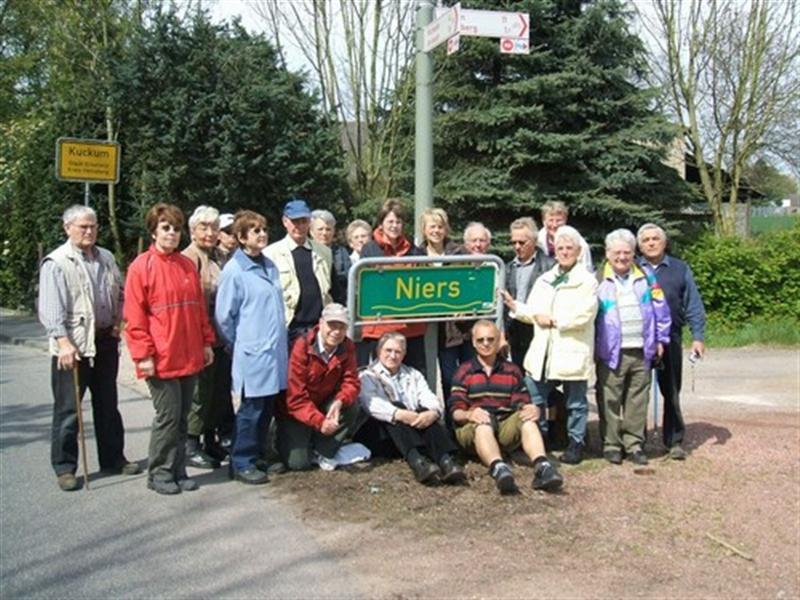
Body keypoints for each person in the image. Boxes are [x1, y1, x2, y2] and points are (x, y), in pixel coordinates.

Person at [38, 205, 139, 492]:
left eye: (93, 226)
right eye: (83, 226)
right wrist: (63, 342)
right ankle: (65, 467)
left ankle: (113, 458)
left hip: (105, 340)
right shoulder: (57, 262)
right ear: (67, 228)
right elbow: (50, 309)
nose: (89, 231)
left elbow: (121, 293)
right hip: (73, 345)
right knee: (69, 409)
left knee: (107, 403)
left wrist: (119, 321)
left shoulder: (106, 257)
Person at [124, 203, 215, 495]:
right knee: (168, 416)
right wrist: (143, 355)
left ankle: (178, 470)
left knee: (183, 416)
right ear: (153, 231)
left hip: (188, 353)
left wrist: (206, 342)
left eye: (176, 228)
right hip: (161, 357)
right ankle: (159, 473)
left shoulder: (186, 265)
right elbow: (134, 317)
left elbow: (199, 310)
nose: (172, 233)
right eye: (165, 228)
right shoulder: (141, 267)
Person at [502, 226, 598, 464]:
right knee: (534, 395)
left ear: (578, 251)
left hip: (572, 349)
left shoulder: (587, 281)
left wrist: (554, 321)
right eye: (560, 248)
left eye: (569, 248)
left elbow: (585, 314)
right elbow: (535, 312)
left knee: (576, 401)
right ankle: (539, 438)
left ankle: (576, 442)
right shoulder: (546, 279)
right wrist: (516, 307)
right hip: (543, 351)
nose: (564, 252)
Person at [215, 210, 288, 484]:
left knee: (266, 407)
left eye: (264, 229)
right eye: (255, 230)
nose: (262, 234)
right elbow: (224, 317)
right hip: (252, 352)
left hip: (273, 352)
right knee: (251, 410)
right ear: (241, 237)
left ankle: (257, 456)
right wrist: (241, 344)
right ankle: (241, 462)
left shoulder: (270, 265)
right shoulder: (234, 271)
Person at [449, 320, 563, 495]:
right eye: (480, 340)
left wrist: (530, 409)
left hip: (503, 426)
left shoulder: (511, 370)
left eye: (490, 339)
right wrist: (469, 415)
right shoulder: (463, 371)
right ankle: (499, 469)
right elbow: (455, 411)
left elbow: (521, 402)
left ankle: (543, 467)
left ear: (498, 341)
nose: (486, 344)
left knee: (527, 420)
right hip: (473, 429)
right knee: (483, 423)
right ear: (473, 342)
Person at [595, 229, 671, 466]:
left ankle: (634, 444)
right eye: (617, 252)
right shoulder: (598, 279)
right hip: (611, 351)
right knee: (609, 399)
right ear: (608, 254)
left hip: (641, 349)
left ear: (633, 253)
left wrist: (660, 339)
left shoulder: (646, 276)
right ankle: (611, 444)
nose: (622, 257)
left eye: (627, 252)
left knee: (637, 400)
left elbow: (660, 308)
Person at [637, 223, 706, 460]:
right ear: (640, 246)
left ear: (664, 242)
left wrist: (698, 336)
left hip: (671, 337)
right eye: (646, 240)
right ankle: (637, 441)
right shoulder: (633, 268)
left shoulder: (680, 268)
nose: (651, 243)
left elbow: (693, 304)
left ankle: (674, 440)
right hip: (640, 340)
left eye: (655, 239)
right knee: (638, 392)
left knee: (672, 391)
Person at [359, 332, 465, 485]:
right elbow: (371, 404)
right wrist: (399, 414)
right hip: (379, 435)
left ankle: (446, 461)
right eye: (388, 350)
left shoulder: (413, 374)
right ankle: (418, 463)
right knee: (395, 408)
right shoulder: (367, 375)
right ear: (379, 351)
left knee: (426, 411)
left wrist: (432, 413)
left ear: (404, 354)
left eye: (397, 352)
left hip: (409, 433)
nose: (392, 356)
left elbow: (429, 397)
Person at [277, 303, 361, 471]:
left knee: (352, 405)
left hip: (324, 403)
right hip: (296, 411)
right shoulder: (301, 346)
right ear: (321, 323)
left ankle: (323, 449)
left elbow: (352, 382)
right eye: (332, 325)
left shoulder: (348, 346)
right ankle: (280, 436)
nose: (336, 332)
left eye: (342, 327)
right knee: (298, 464)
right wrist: (320, 421)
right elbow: (295, 398)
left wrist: (340, 401)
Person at [182, 205, 227, 470]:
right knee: (198, 393)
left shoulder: (218, 256)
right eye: (204, 227)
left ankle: (210, 440)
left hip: (219, 337)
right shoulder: (189, 258)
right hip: (198, 337)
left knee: (215, 392)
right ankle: (190, 444)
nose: (210, 233)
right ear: (192, 230)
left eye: (214, 227)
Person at [358, 199, 427, 374]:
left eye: (398, 222)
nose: (394, 226)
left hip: (411, 328)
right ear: (381, 223)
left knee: (416, 375)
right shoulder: (370, 250)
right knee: (378, 378)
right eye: (390, 221)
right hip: (379, 326)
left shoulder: (415, 251)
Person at [417, 207, 472, 401]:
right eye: (432, 227)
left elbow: (470, 284)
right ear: (424, 230)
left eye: (440, 226)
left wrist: (464, 308)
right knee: (448, 378)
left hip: (459, 328)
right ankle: (450, 416)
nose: (436, 231)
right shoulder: (417, 255)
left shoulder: (460, 253)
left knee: (466, 376)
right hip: (432, 329)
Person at [264, 198, 333, 344]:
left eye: (304, 221)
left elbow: (333, 290)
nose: (300, 226)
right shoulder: (270, 254)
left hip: (319, 327)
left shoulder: (324, 252)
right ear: (285, 222)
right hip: (289, 328)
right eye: (295, 221)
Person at [504, 217, 554, 371]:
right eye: (514, 242)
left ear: (534, 241)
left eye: (522, 242)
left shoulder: (550, 267)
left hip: (539, 331)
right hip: (516, 333)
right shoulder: (508, 268)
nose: (517, 247)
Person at [537, 201, 592, 270]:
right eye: (551, 220)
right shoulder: (537, 242)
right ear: (544, 221)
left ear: (565, 220)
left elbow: (586, 270)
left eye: (558, 220)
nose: (554, 225)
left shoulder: (579, 244)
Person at [310, 209, 350, 305]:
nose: (324, 233)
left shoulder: (342, 252)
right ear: (311, 231)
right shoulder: (305, 252)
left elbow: (348, 280)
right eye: (320, 229)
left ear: (333, 231)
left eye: (328, 229)